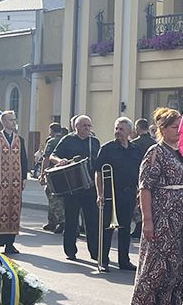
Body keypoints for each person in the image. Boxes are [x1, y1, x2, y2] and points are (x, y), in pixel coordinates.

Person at [127, 108, 183, 305]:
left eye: (181, 127)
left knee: (177, 267)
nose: (180, 131)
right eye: (175, 127)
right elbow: (145, 188)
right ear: (163, 129)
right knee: (158, 267)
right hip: (162, 220)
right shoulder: (155, 152)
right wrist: (147, 220)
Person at [95, 117, 143, 272]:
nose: (118, 132)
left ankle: (124, 261)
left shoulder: (135, 149)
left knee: (125, 228)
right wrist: (100, 193)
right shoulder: (107, 148)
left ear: (129, 131)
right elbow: (98, 172)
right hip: (111, 194)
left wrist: (139, 192)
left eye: (121, 129)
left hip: (129, 194)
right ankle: (103, 261)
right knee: (107, 229)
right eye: (116, 128)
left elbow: (140, 172)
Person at [52, 115, 101, 263]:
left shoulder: (94, 141)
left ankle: (95, 252)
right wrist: (60, 161)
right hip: (72, 186)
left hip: (90, 185)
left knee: (92, 220)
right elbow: (53, 155)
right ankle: (70, 251)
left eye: (89, 126)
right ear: (76, 126)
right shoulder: (68, 140)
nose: (87, 128)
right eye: (84, 125)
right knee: (71, 220)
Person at [0, 110, 28, 256]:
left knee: (14, 211)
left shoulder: (19, 139)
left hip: (15, 182)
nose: (14, 122)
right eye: (10, 120)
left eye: (14, 119)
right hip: (1, 183)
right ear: (3, 122)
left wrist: (24, 178)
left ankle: (10, 243)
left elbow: (23, 159)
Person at [129, 118, 157, 238]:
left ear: (137, 128)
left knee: (138, 204)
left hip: (138, 175)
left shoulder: (135, 143)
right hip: (154, 176)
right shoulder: (154, 143)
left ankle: (139, 226)